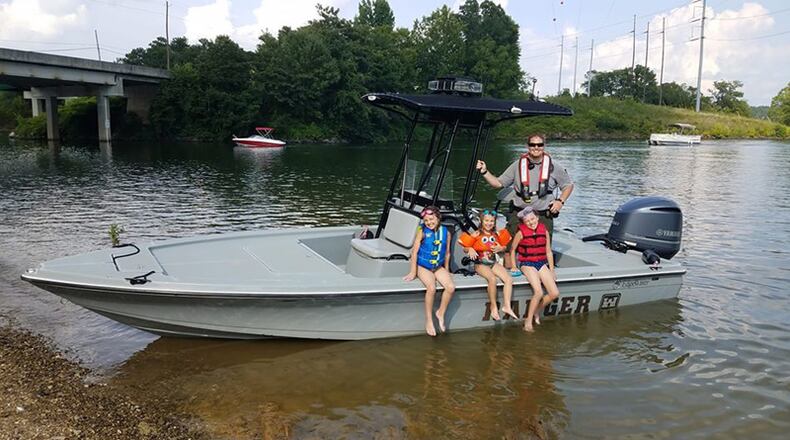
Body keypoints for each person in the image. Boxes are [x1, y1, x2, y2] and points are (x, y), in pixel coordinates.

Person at [475, 133, 573, 268]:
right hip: (519, 212)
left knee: (541, 248)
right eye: (533, 144)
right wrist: (484, 172)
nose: (536, 147)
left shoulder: (554, 166)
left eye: (540, 144)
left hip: (543, 214)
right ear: (528, 146)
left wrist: (560, 201)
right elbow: (498, 183)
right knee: (508, 247)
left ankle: (541, 276)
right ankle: (510, 276)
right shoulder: (517, 165)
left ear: (544, 146)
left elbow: (568, 185)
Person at [404, 206, 456, 336]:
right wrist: (413, 272)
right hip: (423, 266)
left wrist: (447, 270)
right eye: (426, 220)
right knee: (431, 288)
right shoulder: (422, 231)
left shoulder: (446, 232)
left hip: (438, 267)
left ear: (438, 218)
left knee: (450, 287)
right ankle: (428, 320)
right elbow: (414, 252)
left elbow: (447, 253)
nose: (429, 223)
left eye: (431, 219)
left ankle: (440, 312)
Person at [457, 209, 516, 321]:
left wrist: (501, 248)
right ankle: (493, 306)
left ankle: (507, 306)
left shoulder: (496, 234)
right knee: (492, 279)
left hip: (493, 262)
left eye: (491, 221)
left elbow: (504, 247)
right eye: (486, 221)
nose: (489, 223)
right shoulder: (476, 234)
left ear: (494, 222)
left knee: (508, 279)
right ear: (481, 221)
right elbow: (465, 247)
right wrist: (469, 249)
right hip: (480, 264)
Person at [510, 207, 560, 332]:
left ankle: (536, 311)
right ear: (524, 223)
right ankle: (528, 320)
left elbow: (548, 251)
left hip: (541, 263)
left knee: (554, 293)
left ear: (537, 218)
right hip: (527, 263)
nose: (531, 222)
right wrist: (514, 266)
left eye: (533, 219)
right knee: (538, 292)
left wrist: (552, 270)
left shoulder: (545, 231)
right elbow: (512, 250)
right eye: (527, 221)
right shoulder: (520, 233)